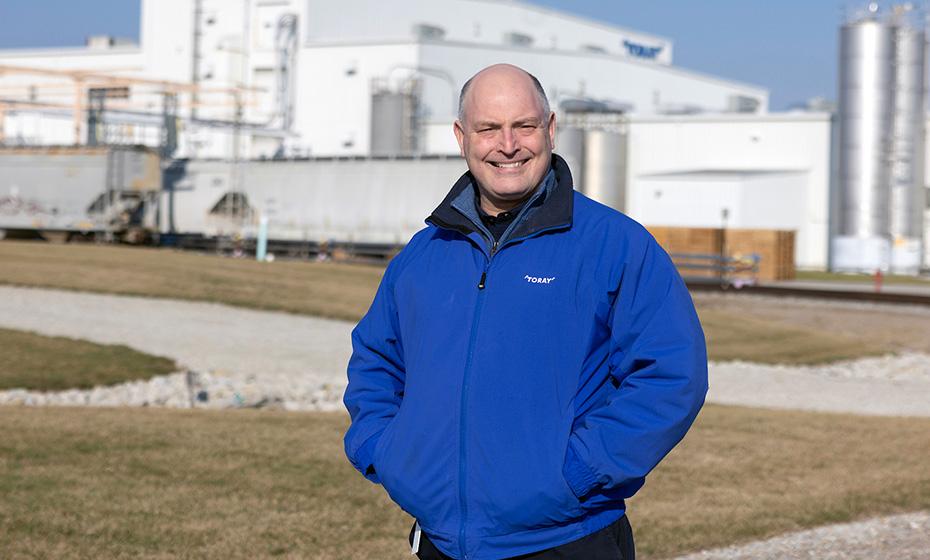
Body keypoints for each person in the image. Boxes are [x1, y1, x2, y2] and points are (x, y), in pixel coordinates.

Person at [343, 63, 708, 560]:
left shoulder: (615, 245)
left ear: (551, 129)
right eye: (488, 128)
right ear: (461, 136)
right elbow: (376, 361)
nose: (507, 144)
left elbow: (671, 376)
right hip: (441, 543)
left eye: (525, 126)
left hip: (569, 539)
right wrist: (383, 450)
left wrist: (579, 471)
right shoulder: (424, 254)